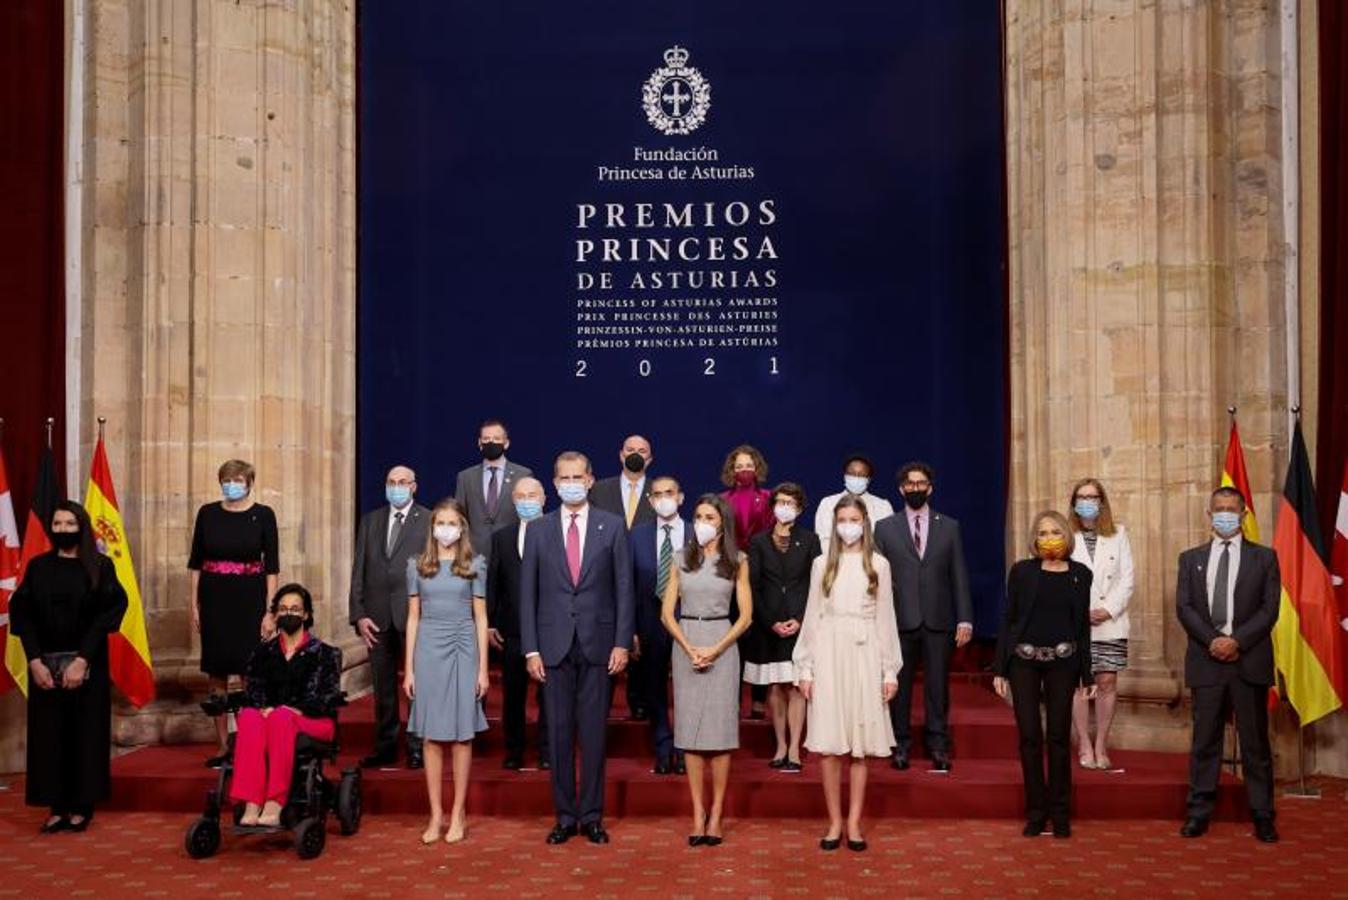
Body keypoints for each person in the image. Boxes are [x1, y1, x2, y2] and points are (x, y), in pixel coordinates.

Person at [520, 451, 634, 845]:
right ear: (554, 484)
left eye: (577, 476)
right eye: (563, 477)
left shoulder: (613, 526)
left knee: (594, 735)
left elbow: (624, 590)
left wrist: (622, 641)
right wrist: (531, 650)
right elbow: (527, 595)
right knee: (559, 735)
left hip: (599, 646)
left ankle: (592, 815)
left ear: (589, 480)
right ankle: (565, 816)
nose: (570, 483)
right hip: (552, 648)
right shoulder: (538, 530)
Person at [9, 501, 127, 833]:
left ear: (82, 526)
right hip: (44, 666)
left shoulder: (99, 566)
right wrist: (34, 660)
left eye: (69, 523)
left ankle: (81, 806)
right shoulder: (38, 567)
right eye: (57, 524)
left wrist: (81, 661)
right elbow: (23, 614)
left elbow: (107, 614)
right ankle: (56, 806)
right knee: (50, 736)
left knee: (84, 734)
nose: (62, 530)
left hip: (86, 664)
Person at [794, 495, 901, 852]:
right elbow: (812, 615)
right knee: (829, 746)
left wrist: (889, 671)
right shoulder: (821, 563)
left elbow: (886, 620)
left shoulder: (879, 565)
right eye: (843, 519)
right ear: (834, 524)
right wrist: (805, 665)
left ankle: (854, 822)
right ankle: (834, 821)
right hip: (827, 653)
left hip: (865, 653)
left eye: (854, 519)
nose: (848, 526)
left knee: (858, 749)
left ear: (865, 523)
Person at [1176, 487, 1280, 843]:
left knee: (1254, 744)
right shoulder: (1190, 559)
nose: (1224, 514)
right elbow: (1185, 608)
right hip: (1206, 661)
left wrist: (1236, 642)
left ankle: (1263, 815)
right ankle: (1198, 813)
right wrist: (1213, 641)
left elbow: (1269, 610)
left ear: (1243, 513)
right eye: (1218, 509)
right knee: (1205, 741)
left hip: (1248, 660)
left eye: (1230, 509)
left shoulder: (1265, 558)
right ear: (1209, 515)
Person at [992, 510, 1095, 839]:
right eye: (1042, 533)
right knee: (1030, 737)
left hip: (1064, 663)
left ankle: (1060, 812)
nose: (1049, 537)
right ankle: (1036, 812)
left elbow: (1082, 627)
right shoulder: (1022, 571)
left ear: (1066, 535)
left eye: (1054, 531)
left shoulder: (1081, 574)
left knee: (1059, 738)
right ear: (1034, 540)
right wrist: (1000, 668)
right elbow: (1009, 619)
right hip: (1023, 662)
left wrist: (1087, 674)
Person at [660, 495, 753, 846]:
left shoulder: (737, 561)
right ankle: (697, 813)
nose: (702, 521)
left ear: (722, 522)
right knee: (691, 735)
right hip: (686, 642)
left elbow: (745, 616)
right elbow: (667, 612)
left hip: (722, 643)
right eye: (698, 516)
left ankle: (716, 815)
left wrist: (714, 649)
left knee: (719, 734)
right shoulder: (681, 558)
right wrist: (688, 648)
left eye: (709, 516)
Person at [872, 461, 972, 772]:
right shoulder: (885, 527)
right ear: (901, 489)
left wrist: (965, 619)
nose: (916, 488)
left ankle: (938, 743)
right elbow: (877, 578)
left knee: (937, 687)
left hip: (938, 619)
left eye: (921, 483)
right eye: (910, 484)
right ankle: (899, 742)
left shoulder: (949, 526)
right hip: (898, 621)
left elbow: (959, 575)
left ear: (930, 488)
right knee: (897, 685)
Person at [404, 498, 490, 844]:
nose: (446, 529)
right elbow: (413, 617)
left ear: (462, 528)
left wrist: (482, 670)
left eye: (453, 523)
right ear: (432, 527)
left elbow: (481, 618)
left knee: (459, 734)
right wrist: (408, 669)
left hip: (463, 647)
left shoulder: (474, 564)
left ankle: (458, 813)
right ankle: (436, 813)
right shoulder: (416, 565)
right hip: (427, 649)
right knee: (430, 736)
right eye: (440, 523)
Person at [188, 459, 280, 767]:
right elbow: (195, 563)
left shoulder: (264, 515)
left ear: (250, 482)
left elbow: (272, 568)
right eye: (227, 479)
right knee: (216, 671)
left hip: (250, 598)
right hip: (214, 599)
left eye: (238, 479)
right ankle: (222, 746)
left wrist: (270, 612)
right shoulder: (207, 514)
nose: (232, 484)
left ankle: (250, 740)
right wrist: (194, 605)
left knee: (248, 670)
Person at [231, 584, 342, 827]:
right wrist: (262, 708)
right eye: (282, 609)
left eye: (294, 609)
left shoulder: (324, 653)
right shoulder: (263, 653)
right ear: (275, 615)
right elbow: (254, 690)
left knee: (281, 716)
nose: (288, 613)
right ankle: (252, 801)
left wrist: (295, 710)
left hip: (314, 721)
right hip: (271, 717)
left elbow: (327, 696)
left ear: (306, 615)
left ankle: (275, 802)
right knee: (249, 716)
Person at [348, 465, 430, 769]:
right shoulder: (370, 521)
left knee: (417, 685)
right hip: (376, 618)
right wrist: (358, 614)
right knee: (383, 687)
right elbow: (359, 571)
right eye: (391, 482)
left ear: (414, 486)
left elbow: (433, 570)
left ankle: (417, 746)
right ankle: (385, 746)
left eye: (402, 482)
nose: (396, 487)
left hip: (414, 615)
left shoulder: (429, 520)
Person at [746, 482, 821, 771]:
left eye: (791, 503)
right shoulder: (758, 541)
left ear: (800, 509)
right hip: (768, 625)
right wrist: (769, 621)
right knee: (775, 686)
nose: (785, 507)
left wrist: (801, 619)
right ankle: (779, 745)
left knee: (796, 686)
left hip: (800, 624)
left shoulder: (811, 540)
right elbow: (753, 586)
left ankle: (794, 750)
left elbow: (816, 584)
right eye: (780, 502)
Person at [1066, 478, 1134, 770]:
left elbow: (1128, 578)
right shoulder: (1064, 535)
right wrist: (1079, 610)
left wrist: (1107, 609)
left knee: (1106, 682)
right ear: (1074, 503)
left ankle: (1101, 744)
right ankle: (1083, 742)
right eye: (1081, 497)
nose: (1087, 502)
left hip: (1110, 621)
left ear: (1102, 502)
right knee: (1080, 684)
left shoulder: (1119, 534)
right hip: (1074, 622)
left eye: (1093, 497)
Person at [487, 477, 550, 771]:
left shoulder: (556, 532)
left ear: (544, 499)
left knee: (549, 697)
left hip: (550, 629)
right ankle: (514, 750)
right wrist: (488, 622)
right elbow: (494, 583)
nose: (527, 501)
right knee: (513, 696)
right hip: (511, 630)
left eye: (532, 495)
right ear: (513, 500)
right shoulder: (501, 537)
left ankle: (548, 751)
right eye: (521, 496)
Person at [627, 475, 688, 775]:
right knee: (654, 687)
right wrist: (630, 630)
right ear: (650, 501)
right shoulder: (635, 536)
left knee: (686, 687)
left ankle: (685, 748)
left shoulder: (696, 533)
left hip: (689, 622)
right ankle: (663, 747)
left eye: (669, 492)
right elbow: (626, 586)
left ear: (680, 497)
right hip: (649, 621)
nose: (664, 498)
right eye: (657, 494)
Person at [719, 444, 774, 717]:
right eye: (738, 466)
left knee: (759, 637)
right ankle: (732, 697)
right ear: (731, 470)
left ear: (757, 468)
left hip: (760, 572)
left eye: (748, 465)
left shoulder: (768, 498)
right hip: (730, 573)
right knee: (734, 636)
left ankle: (758, 699)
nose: (744, 470)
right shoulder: (722, 499)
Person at [453, 419, 532, 564]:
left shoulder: (523, 474)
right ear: (479, 443)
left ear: (506, 443)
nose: (491, 442)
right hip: (474, 556)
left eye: (496, 439)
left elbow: (529, 517)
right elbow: (459, 517)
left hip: (511, 554)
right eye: (486, 439)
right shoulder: (465, 477)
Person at [813, 454, 894, 553]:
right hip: (835, 564)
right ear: (844, 476)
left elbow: (887, 543)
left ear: (869, 479)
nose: (856, 477)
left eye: (861, 475)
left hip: (872, 565)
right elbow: (824, 539)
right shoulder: (828, 503)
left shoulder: (883, 506)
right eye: (851, 474)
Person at [589, 434, 656, 530]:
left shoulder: (659, 491)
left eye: (642, 451)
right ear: (621, 456)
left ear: (649, 460)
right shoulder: (599, 489)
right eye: (630, 450)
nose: (635, 455)